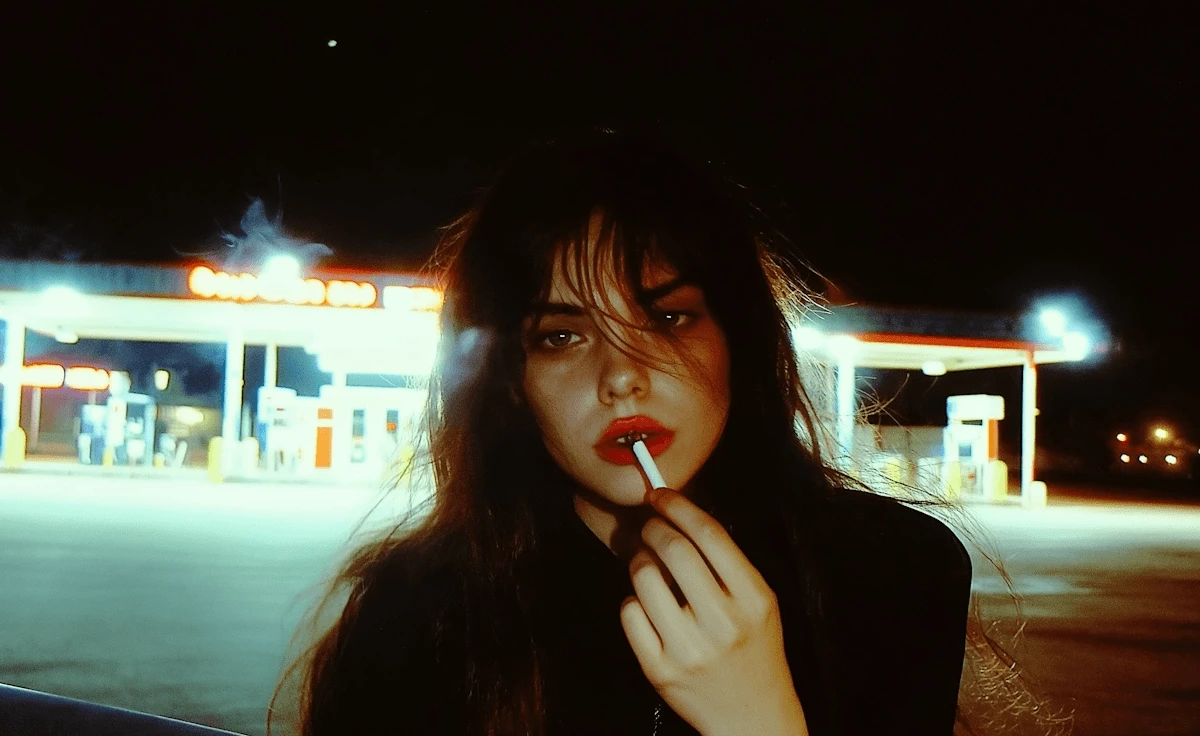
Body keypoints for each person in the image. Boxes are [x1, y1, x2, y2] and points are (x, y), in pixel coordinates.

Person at [269, 131, 1052, 736]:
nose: (621, 377)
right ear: (511, 379)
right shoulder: (418, 611)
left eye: (668, 317)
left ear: (736, 339)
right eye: (561, 337)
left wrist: (757, 719)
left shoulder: (894, 574)